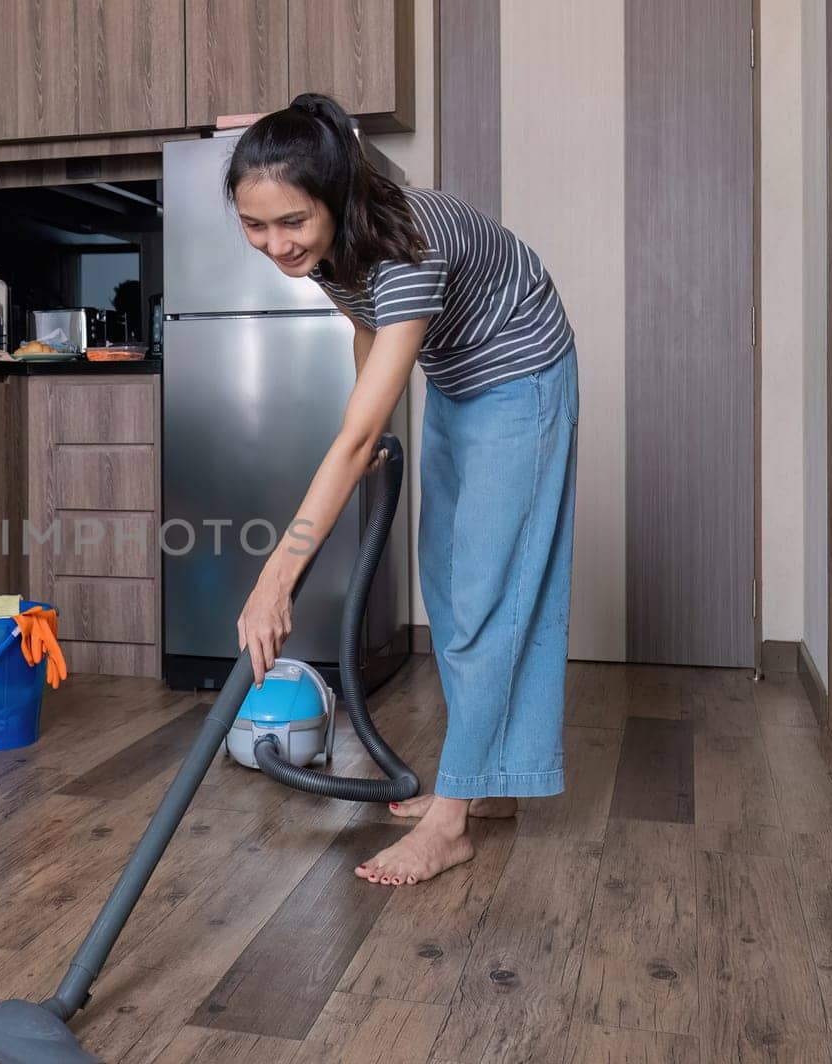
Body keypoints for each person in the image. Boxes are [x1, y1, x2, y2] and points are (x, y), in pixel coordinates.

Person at [228, 93, 579, 887]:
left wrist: (277, 574)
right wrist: (376, 416)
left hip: (523, 377)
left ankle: (451, 821)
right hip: (459, 380)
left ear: (337, 200)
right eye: (256, 225)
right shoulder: (329, 250)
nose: (275, 244)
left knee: (491, 595)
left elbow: (349, 441)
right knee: (453, 591)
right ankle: (488, 783)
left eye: (292, 222)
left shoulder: (406, 246)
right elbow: (363, 323)